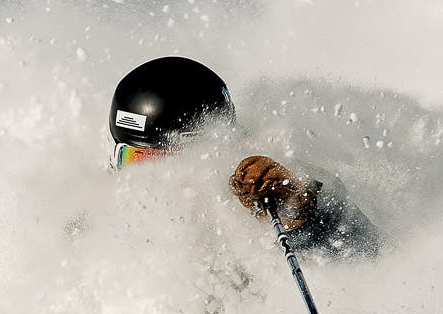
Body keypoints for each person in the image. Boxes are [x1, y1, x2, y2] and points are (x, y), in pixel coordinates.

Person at [108, 55, 380, 258]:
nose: (152, 180)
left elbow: (369, 252)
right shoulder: (97, 216)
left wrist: (298, 219)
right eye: (136, 160)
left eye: (168, 164)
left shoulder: (267, 187)